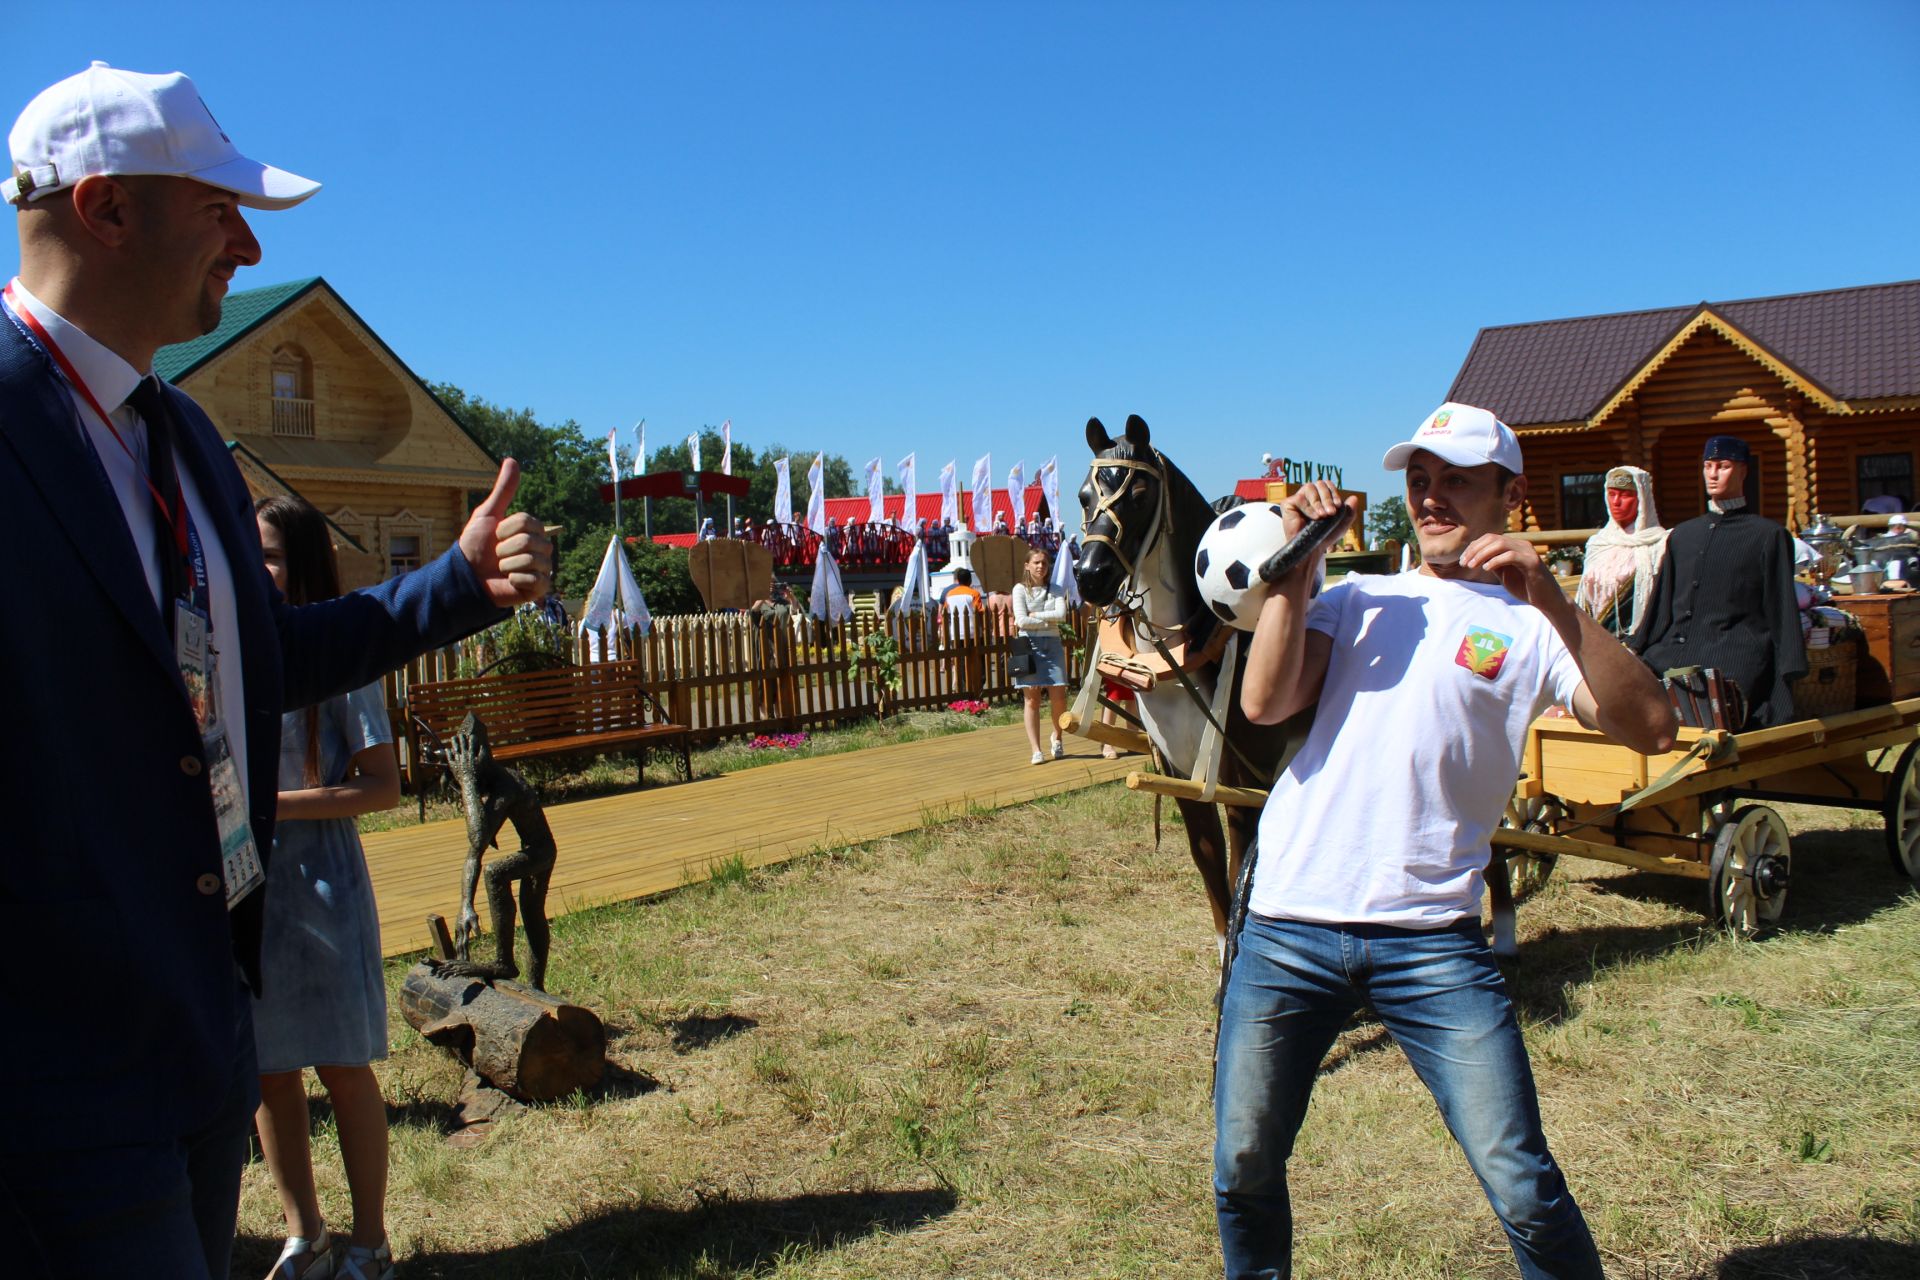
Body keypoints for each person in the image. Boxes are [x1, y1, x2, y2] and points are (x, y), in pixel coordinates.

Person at [0, 63, 553, 1280]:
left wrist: (452, 583)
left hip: (203, 1039)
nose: (247, 244)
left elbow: (257, 660)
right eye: (219, 209)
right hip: (54, 1078)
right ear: (105, 209)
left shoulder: (181, 433)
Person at [1217, 402, 1676, 1279]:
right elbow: (1265, 702)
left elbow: (1651, 726)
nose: (1430, 498)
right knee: (1243, 1165)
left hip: (1430, 940)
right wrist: (1294, 566)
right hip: (1286, 924)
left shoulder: (1538, 626)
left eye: (1455, 479)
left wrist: (1547, 592)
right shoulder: (1355, 598)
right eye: (1418, 481)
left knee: (1522, 1183)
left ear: (1511, 492)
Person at [252, 496, 398, 1280]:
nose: (255, 569)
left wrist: (272, 805)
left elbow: (382, 787)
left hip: (323, 884)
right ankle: (303, 1234)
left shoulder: (338, 652)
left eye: (269, 555)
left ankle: (369, 1241)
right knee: (268, 1070)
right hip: (250, 890)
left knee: (343, 1065)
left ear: (303, 561)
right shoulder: (231, 651)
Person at [1630, 435, 1807, 728]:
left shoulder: (1767, 536)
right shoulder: (1682, 536)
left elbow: (1781, 608)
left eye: (1723, 466)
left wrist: (1788, 673)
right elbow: (1662, 606)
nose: (1713, 474)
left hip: (1734, 653)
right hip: (1672, 651)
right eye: (1708, 466)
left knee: (1715, 699)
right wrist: (1637, 647)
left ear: (1743, 471)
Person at [1573, 465, 1668, 638]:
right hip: (1595, 638)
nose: (1616, 502)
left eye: (1625, 495)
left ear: (1641, 498)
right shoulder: (1598, 544)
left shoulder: (1659, 545)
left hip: (1638, 640)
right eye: (1612, 494)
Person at [1012, 548, 1070, 764]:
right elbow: (1021, 621)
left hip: (1052, 644)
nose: (1040, 567)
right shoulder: (1019, 589)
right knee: (1032, 698)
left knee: (1059, 696)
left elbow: (1061, 616)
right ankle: (1036, 749)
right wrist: (1046, 619)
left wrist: (1034, 615)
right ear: (1027, 565)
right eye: (1036, 562)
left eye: (1044, 563)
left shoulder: (1055, 589)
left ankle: (1057, 736)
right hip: (1029, 645)